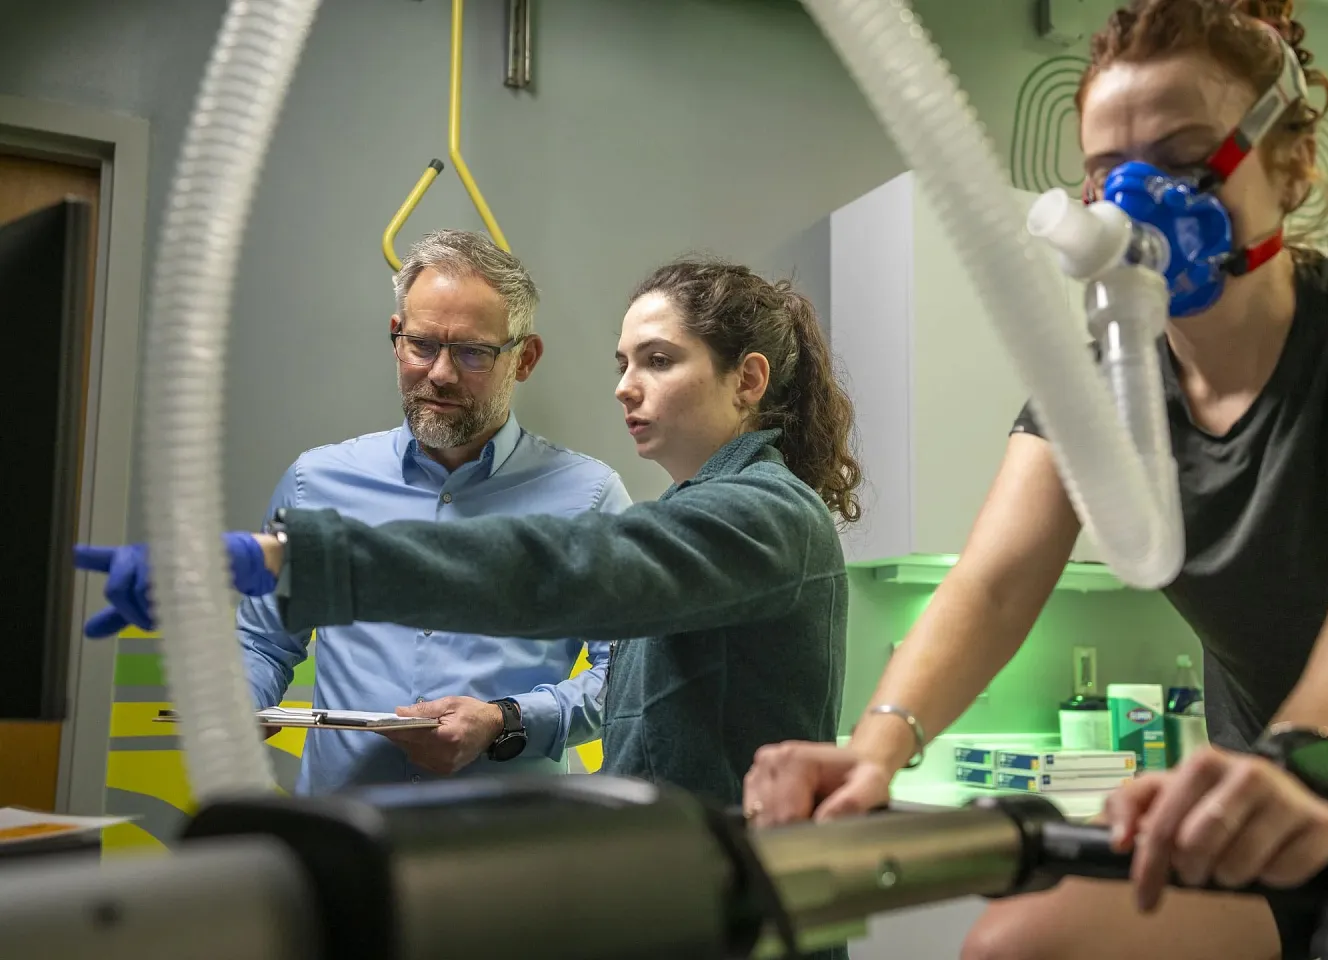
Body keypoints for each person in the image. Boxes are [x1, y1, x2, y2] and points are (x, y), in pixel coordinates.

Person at [740, 2, 1328, 958]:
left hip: (1320, 783)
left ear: (1291, 165)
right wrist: (872, 754)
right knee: (1020, 945)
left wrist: (1312, 761)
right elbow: (990, 584)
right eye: (1111, 174)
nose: (1141, 199)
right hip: (1263, 831)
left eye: (1184, 156)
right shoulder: (1105, 383)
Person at [77, 255, 859, 813]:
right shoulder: (710, 506)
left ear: (747, 380)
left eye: (657, 360)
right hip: (649, 869)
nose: (623, 385)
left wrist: (293, 554)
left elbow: (564, 569)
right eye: (624, 361)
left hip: (692, 883)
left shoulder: (759, 514)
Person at [80, 229, 632, 795]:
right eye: (422, 344)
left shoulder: (588, 497)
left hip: (499, 842)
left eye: (472, 352)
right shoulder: (315, 481)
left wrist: (506, 720)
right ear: (396, 337)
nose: (440, 373)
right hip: (342, 832)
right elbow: (264, 641)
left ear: (525, 359)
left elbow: (624, 677)